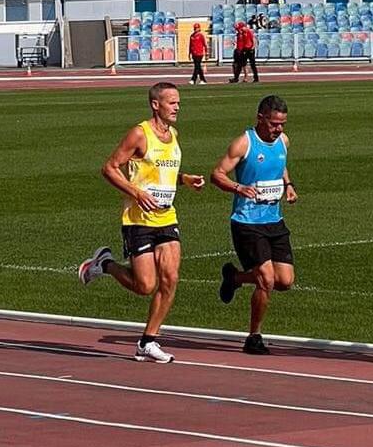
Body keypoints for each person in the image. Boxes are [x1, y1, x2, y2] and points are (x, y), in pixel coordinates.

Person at [77, 82, 205, 363]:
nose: (177, 107)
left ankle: (148, 341)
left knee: (171, 279)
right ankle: (105, 265)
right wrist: (136, 192)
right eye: (172, 102)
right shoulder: (139, 134)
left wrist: (185, 180)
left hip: (167, 216)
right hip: (138, 219)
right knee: (145, 286)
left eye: (179, 102)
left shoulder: (173, 134)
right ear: (155, 104)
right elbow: (109, 167)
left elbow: (164, 172)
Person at [211, 94, 298, 355]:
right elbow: (217, 174)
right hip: (247, 223)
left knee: (285, 281)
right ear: (260, 118)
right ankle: (254, 336)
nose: (278, 129)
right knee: (267, 280)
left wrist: (288, 185)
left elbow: (280, 165)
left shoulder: (283, 141)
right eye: (273, 124)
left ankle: (235, 277)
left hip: (275, 220)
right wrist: (239, 188)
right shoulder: (244, 143)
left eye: (282, 124)